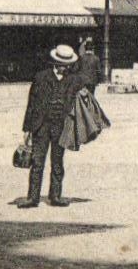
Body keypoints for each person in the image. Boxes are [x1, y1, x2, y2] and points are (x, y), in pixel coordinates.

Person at [21, 44, 87, 208]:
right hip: (41, 125)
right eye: (64, 64)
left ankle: (55, 196)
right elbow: (32, 103)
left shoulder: (74, 80)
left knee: (57, 162)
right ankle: (33, 197)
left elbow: (86, 94)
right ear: (56, 63)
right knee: (37, 162)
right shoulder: (40, 77)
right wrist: (27, 129)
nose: (66, 67)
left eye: (69, 64)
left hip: (61, 125)